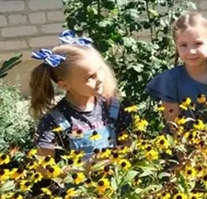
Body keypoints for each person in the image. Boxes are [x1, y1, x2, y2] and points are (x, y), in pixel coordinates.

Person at [30, 30, 131, 161]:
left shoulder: (112, 107)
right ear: (65, 85)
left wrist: (121, 153)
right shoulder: (54, 121)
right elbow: (43, 167)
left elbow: (127, 144)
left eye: (99, 70)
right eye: (90, 77)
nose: (100, 79)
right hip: (78, 175)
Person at [146, 12, 207, 126]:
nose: (191, 51)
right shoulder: (169, 80)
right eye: (183, 45)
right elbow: (174, 126)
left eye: (198, 44)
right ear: (176, 46)